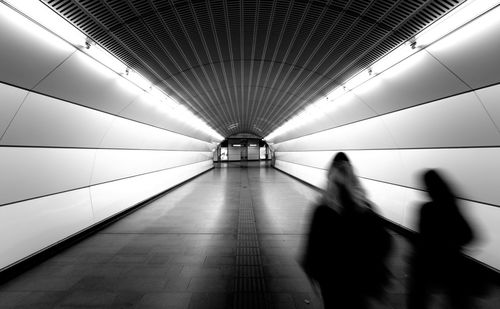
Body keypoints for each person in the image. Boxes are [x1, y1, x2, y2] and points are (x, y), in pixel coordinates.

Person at [301, 152, 392, 309]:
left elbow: (312, 248)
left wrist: (314, 272)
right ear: (353, 178)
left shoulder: (322, 210)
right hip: (359, 282)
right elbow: (385, 242)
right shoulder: (366, 210)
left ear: (330, 178)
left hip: (331, 281)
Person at [407, 169, 475, 309]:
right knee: (458, 299)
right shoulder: (453, 205)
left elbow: (422, 238)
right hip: (452, 262)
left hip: (428, 261)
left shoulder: (426, 209)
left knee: (418, 296)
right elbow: (469, 235)